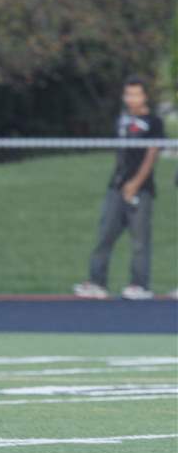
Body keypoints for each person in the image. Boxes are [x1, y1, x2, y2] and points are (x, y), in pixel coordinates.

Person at [75, 76, 164, 300]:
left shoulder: (154, 122)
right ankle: (97, 282)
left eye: (136, 94)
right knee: (105, 234)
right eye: (128, 94)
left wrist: (135, 183)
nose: (131, 99)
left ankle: (139, 285)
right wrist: (121, 182)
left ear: (144, 96)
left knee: (139, 240)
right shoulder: (122, 121)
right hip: (116, 187)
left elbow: (152, 155)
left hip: (141, 190)